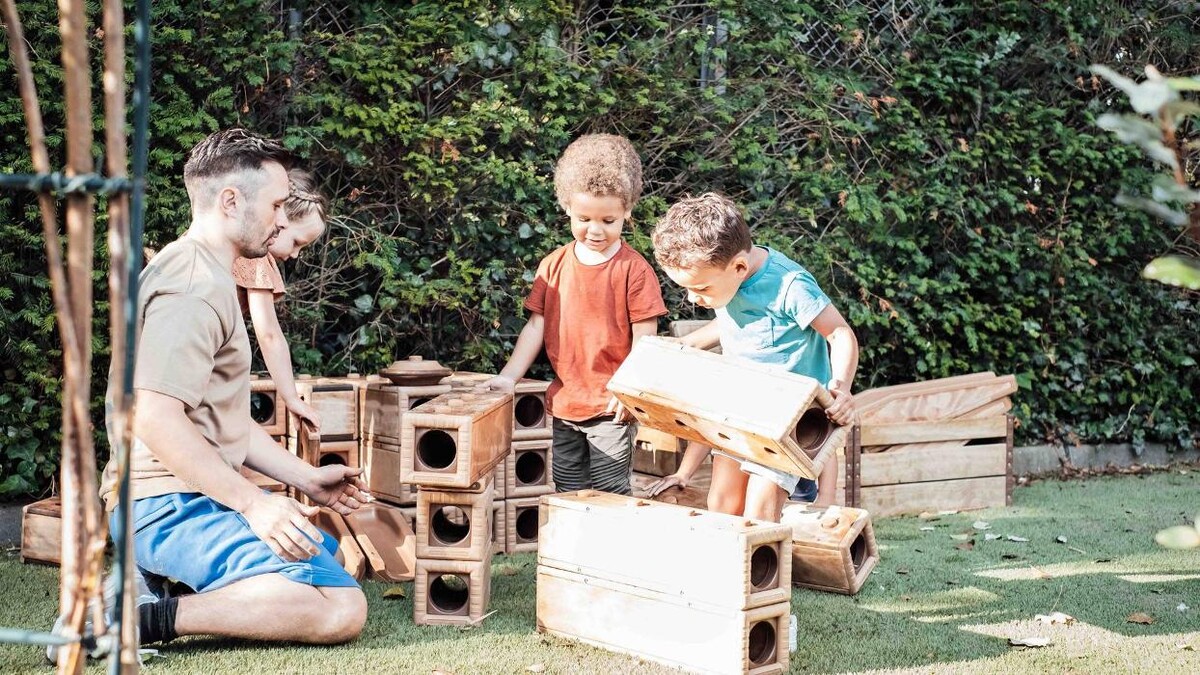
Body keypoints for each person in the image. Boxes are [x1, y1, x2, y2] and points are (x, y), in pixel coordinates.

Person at [81, 129, 369, 655]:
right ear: (231, 200)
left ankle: (152, 585)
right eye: (277, 204)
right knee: (339, 608)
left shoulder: (207, 272)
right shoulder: (191, 287)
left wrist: (306, 478)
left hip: (186, 495)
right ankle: (135, 618)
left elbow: (224, 424)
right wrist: (254, 504)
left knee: (329, 568)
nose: (283, 220)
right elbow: (152, 416)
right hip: (163, 505)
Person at [646, 192, 858, 522]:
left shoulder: (790, 285)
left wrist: (841, 387)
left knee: (761, 507)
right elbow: (734, 321)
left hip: (787, 418)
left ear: (740, 267)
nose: (692, 298)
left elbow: (840, 334)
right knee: (721, 505)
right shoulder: (728, 280)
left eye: (701, 288)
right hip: (742, 408)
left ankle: (759, 572)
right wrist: (685, 344)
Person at [485, 134, 667, 495]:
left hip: (612, 407)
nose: (595, 230)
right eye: (584, 218)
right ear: (566, 206)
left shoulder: (634, 270)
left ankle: (611, 552)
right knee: (567, 488)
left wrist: (628, 389)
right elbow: (536, 326)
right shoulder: (553, 265)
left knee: (609, 489)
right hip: (566, 404)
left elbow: (647, 338)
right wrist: (509, 377)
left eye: (609, 220)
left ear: (627, 211)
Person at [231, 167, 328, 430]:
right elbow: (269, 333)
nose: (295, 255)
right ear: (280, 219)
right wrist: (291, 398)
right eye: (296, 242)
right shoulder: (256, 255)